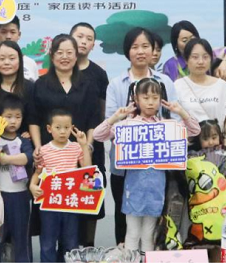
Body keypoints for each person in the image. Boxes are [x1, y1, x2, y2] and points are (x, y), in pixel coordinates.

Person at [94, 79, 200, 251]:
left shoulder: (166, 125)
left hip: (156, 189)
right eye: (145, 97)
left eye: (155, 97)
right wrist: (116, 117)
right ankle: (131, 259)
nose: (150, 102)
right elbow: (98, 135)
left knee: (149, 233)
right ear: (136, 99)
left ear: (161, 99)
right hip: (134, 188)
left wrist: (180, 111)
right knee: (132, 232)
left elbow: (195, 130)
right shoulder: (128, 125)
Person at [102, 27, 176, 245]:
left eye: (145, 46)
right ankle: (127, 256)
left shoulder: (165, 82)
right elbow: (110, 124)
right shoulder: (116, 84)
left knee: (154, 220)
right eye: (135, 47)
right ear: (127, 51)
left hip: (159, 166)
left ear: (154, 50)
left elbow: (175, 120)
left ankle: (149, 256)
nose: (141, 51)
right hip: (125, 166)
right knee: (124, 217)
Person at [29, 109, 92, 262]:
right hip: (49, 203)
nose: (63, 131)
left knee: (70, 242)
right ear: (49, 128)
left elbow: (87, 170)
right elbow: (38, 172)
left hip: (70, 202)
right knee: (48, 242)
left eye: (66, 127)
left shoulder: (76, 147)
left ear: (72, 128)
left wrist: (84, 145)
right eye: (58, 127)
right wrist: (32, 185)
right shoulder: (44, 150)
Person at [70, 22, 109, 247]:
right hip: (62, 145)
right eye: (79, 36)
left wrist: (90, 144)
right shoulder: (60, 69)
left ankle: (88, 249)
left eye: (89, 38)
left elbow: (101, 113)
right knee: (67, 195)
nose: (83, 41)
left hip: (92, 144)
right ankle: (67, 249)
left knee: (90, 195)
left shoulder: (99, 74)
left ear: (93, 45)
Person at [0, 94, 35, 263]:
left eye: (18, 117)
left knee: (21, 237)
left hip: (20, 196)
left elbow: (27, 158)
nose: (13, 121)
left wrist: (6, 159)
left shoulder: (23, 140)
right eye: (8, 117)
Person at [185, 120, 226, 260]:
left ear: (220, 137)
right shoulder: (193, 156)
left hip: (222, 211)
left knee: (219, 243)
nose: (210, 142)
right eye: (205, 138)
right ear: (198, 140)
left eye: (214, 137)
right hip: (202, 212)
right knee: (200, 243)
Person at [174, 38, 226, 149]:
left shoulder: (221, 86)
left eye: (205, 57)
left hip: (217, 146)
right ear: (186, 60)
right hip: (189, 148)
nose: (201, 62)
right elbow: (174, 119)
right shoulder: (177, 86)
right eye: (195, 57)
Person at [0, 40, 35, 123]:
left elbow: (33, 120)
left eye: (12, 58)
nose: (6, 62)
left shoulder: (31, 88)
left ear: (20, 60)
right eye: (2, 59)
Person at [0, 16, 40, 82]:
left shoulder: (30, 63)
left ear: (19, 35)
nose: (8, 36)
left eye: (12, 32)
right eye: (3, 32)